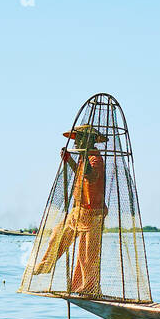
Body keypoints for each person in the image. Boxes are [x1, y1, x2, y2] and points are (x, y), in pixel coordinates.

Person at [34, 124, 108, 294]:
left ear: (88, 140)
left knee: (87, 255)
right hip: (78, 211)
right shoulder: (84, 157)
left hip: (93, 214)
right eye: (76, 139)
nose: (75, 142)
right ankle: (45, 266)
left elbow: (91, 176)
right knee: (58, 234)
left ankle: (89, 287)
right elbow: (81, 174)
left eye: (79, 138)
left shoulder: (95, 158)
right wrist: (70, 161)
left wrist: (82, 155)